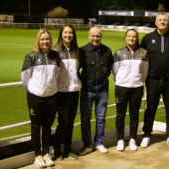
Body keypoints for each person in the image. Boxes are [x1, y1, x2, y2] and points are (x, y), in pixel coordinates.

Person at [140, 12, 169, 149]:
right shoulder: (147, 38)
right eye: (160, 20)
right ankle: (147, 134)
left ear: (168, 22)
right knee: (150, 108)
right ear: (155, 23)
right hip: (152, 80)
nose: (163, 22)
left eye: (165, 20)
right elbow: (140, 58)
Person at [21, 29, 60, 168]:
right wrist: (34, 90)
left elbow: (57, 74)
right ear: (38, 40)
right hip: (35, 97)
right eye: (42, 39)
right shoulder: (31, 56)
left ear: (51, 40)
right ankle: (37, 155)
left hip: (52, 97)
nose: (45, 42)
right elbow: (25, 77)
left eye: (47, 39)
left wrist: (49, 89)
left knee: (48, 127)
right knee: (36, 127)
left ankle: (46, 154)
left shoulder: (56, 56)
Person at [78, 27, 113, 154]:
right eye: (93, 36)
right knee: (85, 119)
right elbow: (76, 70)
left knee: (101, 118)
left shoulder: (107, 51)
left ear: (101, 37)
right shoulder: (82, 51)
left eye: (98, 36)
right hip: (87, 91)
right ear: (89, 36)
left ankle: (99, 142)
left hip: (102, 91)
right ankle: (87, 145)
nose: (95, 39)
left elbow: (109, 69)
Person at [113, 29, 148, 151]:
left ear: (137, 38)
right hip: (121, 88)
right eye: (129, 36)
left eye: (134, 37)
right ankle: (120, 139)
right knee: (120, 115)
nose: (131, 39)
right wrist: (123, 81)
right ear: (125, 37)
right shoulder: (118, 53)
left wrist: (137, 81)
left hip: (137, 89)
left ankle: (133, 139)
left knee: (134, 115)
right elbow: (115, 71)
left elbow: (145, 71)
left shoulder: (143, 53)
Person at [53, 24, 82, 160]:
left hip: (74, 91)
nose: (68, 35)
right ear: (61, 34)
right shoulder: (55, 51)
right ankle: (57, 150)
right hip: (61, 92)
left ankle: (68, 149)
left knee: (70, 122)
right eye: (65, 33)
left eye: (70, 33)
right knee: (63, 122)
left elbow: (78, 70)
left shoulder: (77, 51)